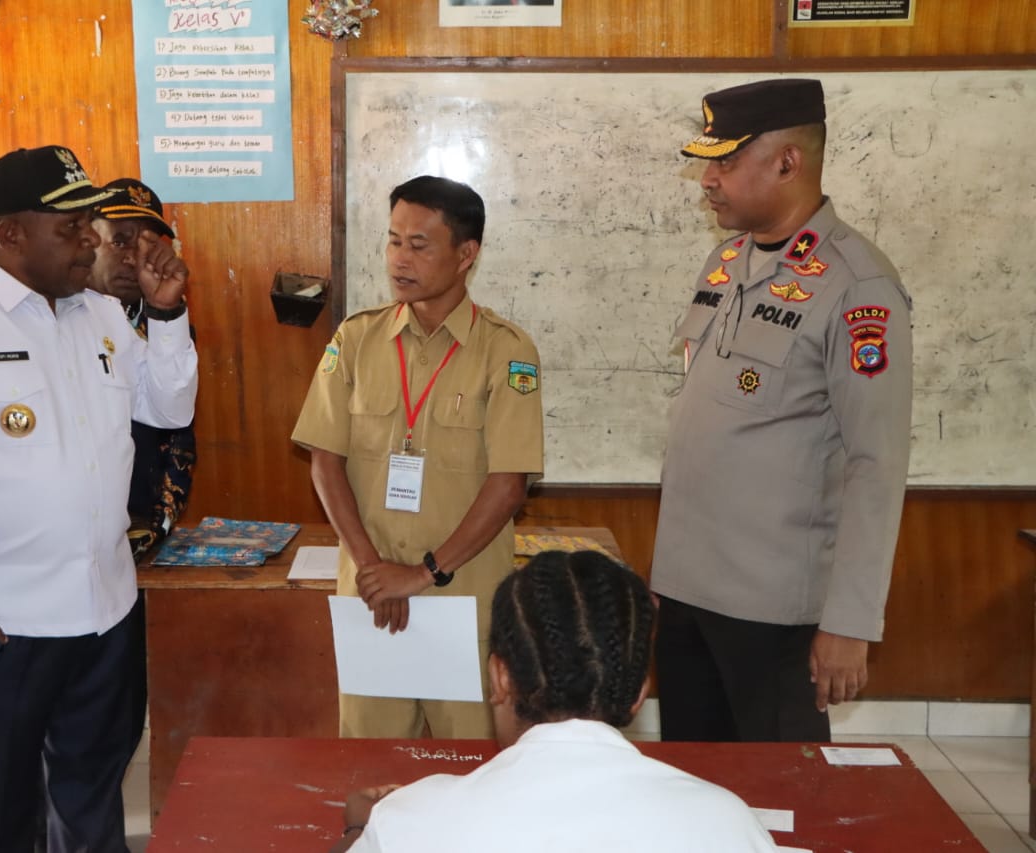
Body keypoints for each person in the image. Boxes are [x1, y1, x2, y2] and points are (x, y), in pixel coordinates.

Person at [0, 145, 198, 853]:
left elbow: (168, 408)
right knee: (0, 814)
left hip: (105, 610)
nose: (91, 241)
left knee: (91, 801)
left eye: (88, 224)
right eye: (72, 227)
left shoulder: (101, 315)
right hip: (1, 622)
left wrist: (167, 313)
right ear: (11, 233)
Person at [650, 78, 913, 743]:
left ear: (788, 162)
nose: (708, 179)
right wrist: (665, 579)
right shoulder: (726, 263)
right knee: (695, 784)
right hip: (687, 595)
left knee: (781, 792)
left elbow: (875, 462)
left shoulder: (857, 286)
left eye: (726, 160)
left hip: (772, 611)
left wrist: (850, 619)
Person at [292, 175, 544, 739]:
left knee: (470, 767)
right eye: (393, 241)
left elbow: (509, 484)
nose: (399, 259)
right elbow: (324, 461)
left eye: (419, 245)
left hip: (464, 604)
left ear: (466, 255)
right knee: (370, 763)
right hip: (374, 601)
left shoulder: (506, 351)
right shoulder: (356, 339)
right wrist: (373, 570)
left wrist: (422, 574)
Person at [331, 551, 778, 852]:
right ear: (641, 692)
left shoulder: (412, 821)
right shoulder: (725, 823)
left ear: (499, 677)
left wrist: (358, 831)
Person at [89, 177, 197, 755]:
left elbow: (176, 424)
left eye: (148, 243)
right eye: (121, 240)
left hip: (134, 535)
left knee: (117, 707)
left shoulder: (160, 316)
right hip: (59, 550)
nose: (134, 256)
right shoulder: (64, 318)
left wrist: (160, 520)